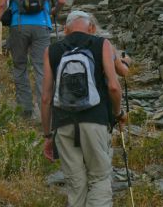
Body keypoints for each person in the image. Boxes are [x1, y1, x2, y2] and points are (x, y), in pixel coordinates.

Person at [41, 10, 124, 207]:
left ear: (65, 29)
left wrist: (47, 135)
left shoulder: (51, 50)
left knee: (75, 183)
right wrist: (118, 113)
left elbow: (45, 97)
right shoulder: (101, 44)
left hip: (63, 124)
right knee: (99, 178)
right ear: (92, 28)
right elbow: (113, 86)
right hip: (95, 120)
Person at [0, 0, 67, 119]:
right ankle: (45, 113)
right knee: (42, 69)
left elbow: (2, 4)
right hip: (42, 26)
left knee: (20, 66)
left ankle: (25, 110)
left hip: (18, 27)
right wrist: (53, 11)